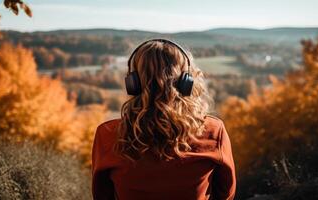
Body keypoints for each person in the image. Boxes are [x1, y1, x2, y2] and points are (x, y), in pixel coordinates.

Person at [91, 38, 236, 200]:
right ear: (185, 83)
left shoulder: (107, 134)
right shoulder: (213, 131)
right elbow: (225, 194)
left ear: (133, 83)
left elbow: (101, 195)